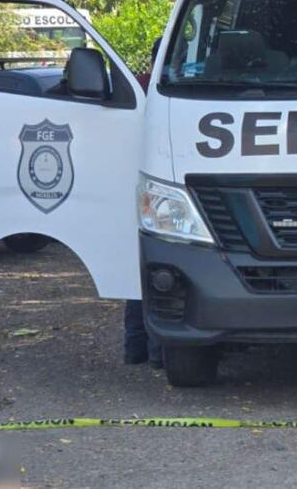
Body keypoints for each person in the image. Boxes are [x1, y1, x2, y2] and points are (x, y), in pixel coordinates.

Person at [124, 38, 163, 367]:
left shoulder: (135, 88)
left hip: (129, 185)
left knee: (135, 270)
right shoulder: (163, 90)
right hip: (159, 190)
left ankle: (135, 348)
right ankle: (156, 353)